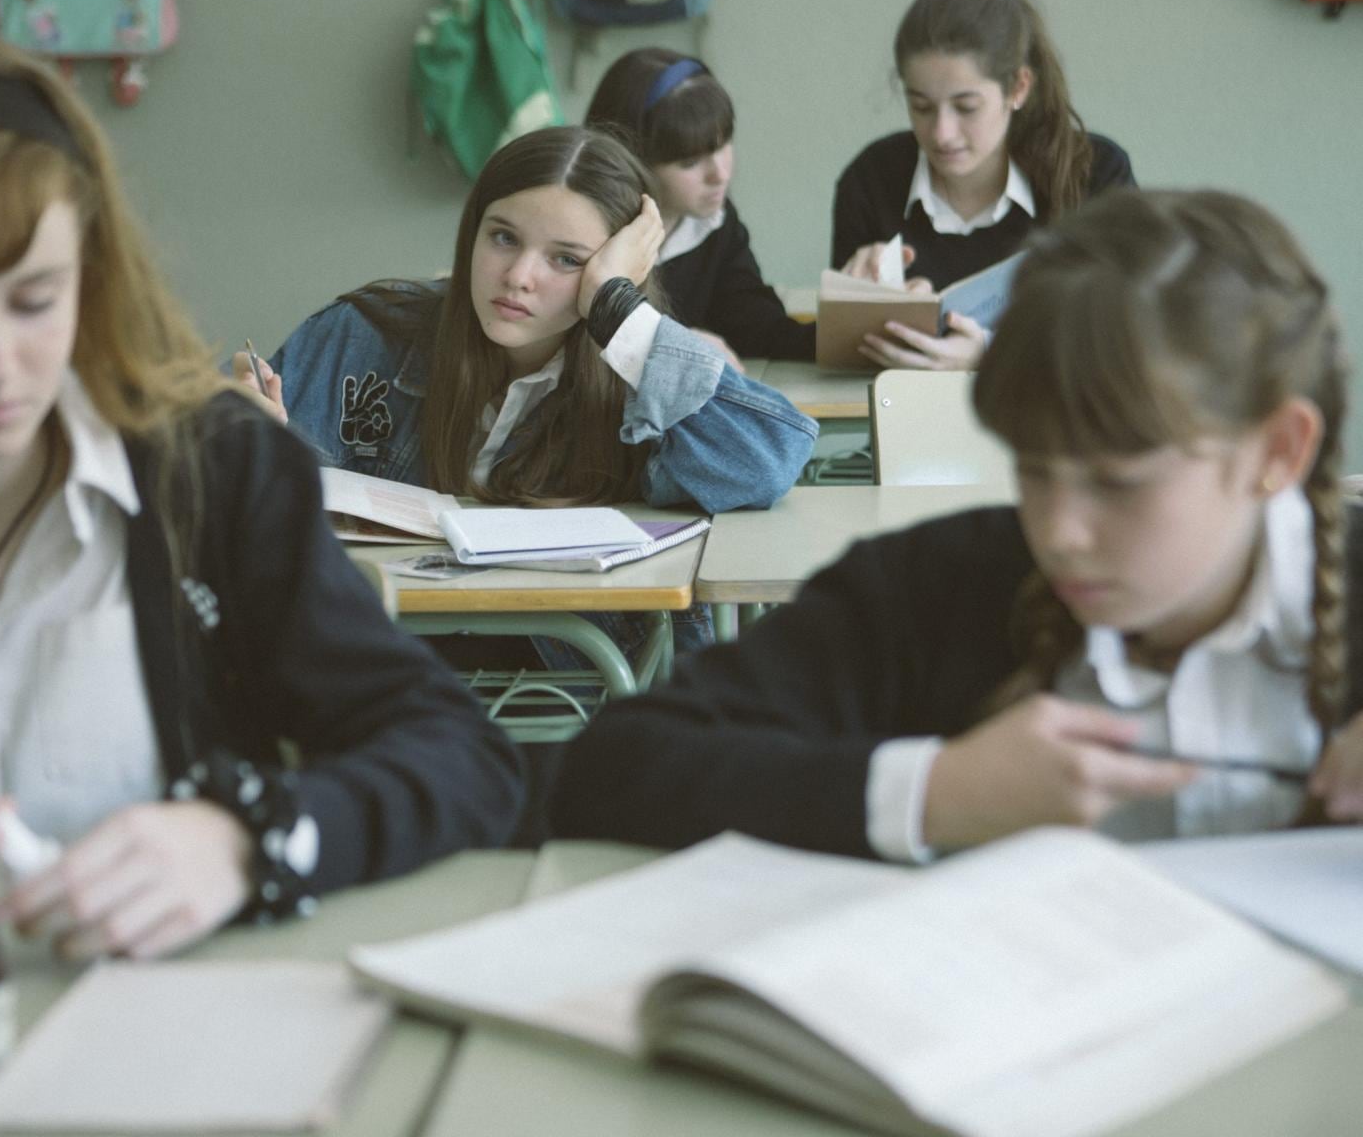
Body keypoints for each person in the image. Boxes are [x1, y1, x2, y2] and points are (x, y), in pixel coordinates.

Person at [0, 30, 524, 948]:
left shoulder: (216, 476)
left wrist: (247, 838)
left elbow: (464, 758)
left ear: (90, 276)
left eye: (37, 299)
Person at [552, 188, 1363, 860]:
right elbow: (612, 769)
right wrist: (932, 796)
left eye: (1117, 484)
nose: (1061, 532)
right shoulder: (933, 586)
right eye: (1035, 470)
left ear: (1277, 450)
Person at [238, 126, 817, 662]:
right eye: (503, 238)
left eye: (567, 259)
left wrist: (617, 310)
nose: (519, 275)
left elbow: (765, 462)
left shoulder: (642, 372)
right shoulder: (362, 337)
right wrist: (234, 432)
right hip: (383, 664)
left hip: (571, 684)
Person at [831, 0, 1136, 371]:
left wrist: (991, 357)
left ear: (1018, 88)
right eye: (921, 107)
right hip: (909, 423)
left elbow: (1129, 335)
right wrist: (872, 302)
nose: (942, 134)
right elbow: (847, 360)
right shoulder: (871, 178)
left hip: (1053, 425)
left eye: (967, 107)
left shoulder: (1095, 172)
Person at [584, 48, 814, 362]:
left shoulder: (713, 221)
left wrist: (851, 339)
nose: (720, 174)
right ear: (633, 161)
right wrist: (671, 347)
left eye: (723, 144)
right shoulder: (586, 237)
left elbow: (755, 327)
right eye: (690, 162)